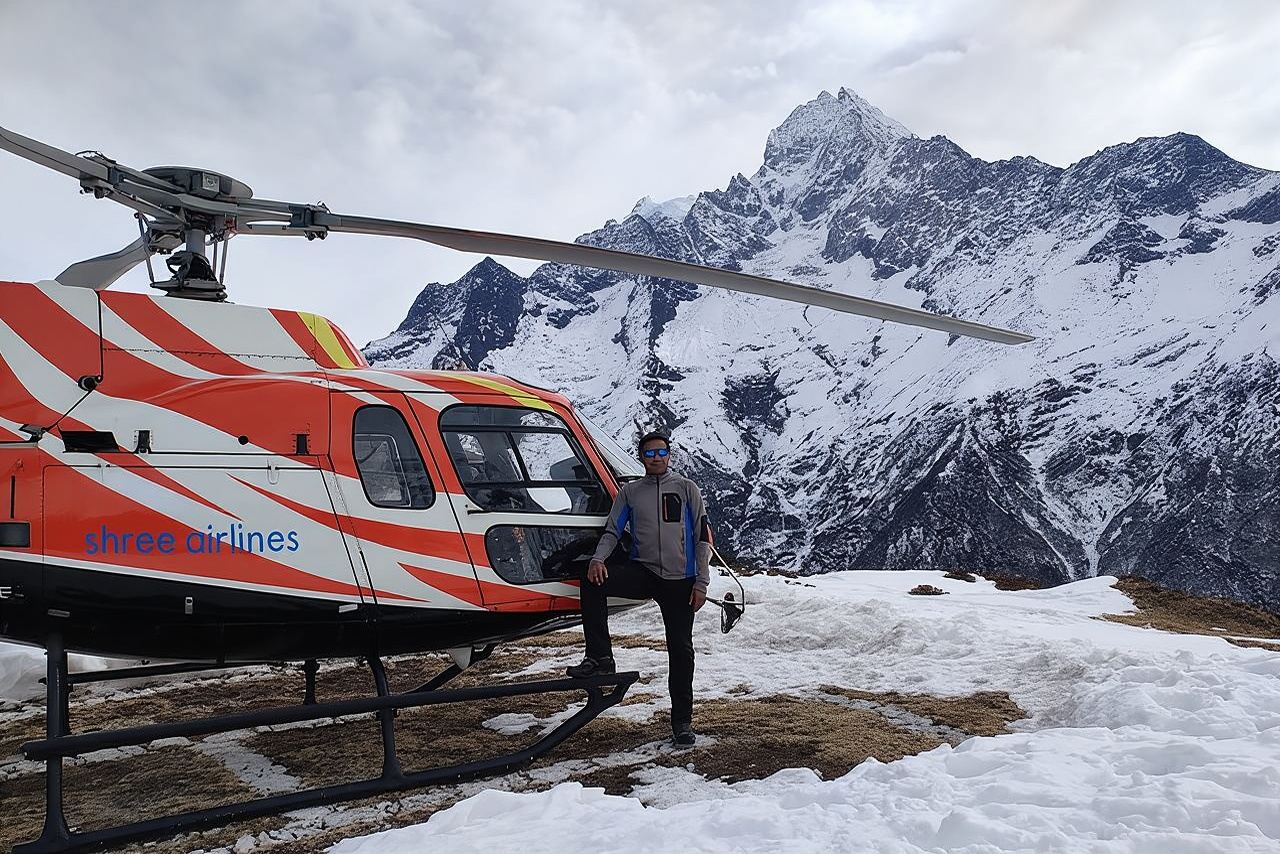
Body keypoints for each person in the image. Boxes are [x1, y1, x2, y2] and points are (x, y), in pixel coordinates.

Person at [567, 430, 713, 747]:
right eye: (650, 454)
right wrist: (597, 559)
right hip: (645, 572)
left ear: (669, 455)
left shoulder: (687, 489)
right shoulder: (630, 493)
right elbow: (612, 530)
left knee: (681, 652)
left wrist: (701, 582)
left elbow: (703, 539)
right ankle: (600, 657)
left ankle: (682, 723)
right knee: (592, 582)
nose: (657, 458)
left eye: (661, 452)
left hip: (681, 582)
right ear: (642, 457)